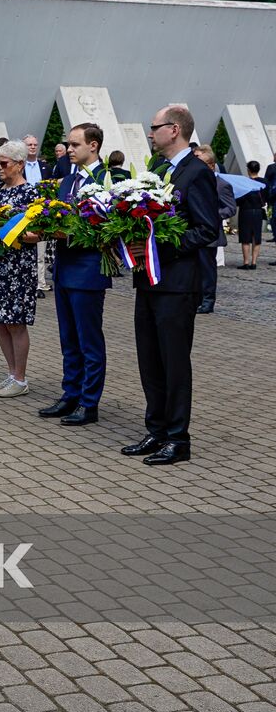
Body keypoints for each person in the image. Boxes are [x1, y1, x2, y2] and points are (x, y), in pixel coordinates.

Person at [121, 105, 219, 466]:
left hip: (177, 284)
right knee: (149, 359)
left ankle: (178, 438)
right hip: (149, 281)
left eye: (154, 127)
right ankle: (157, 430)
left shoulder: (197, 173)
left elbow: (207, 230)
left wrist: (157, 245)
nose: (150, 133)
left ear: (174, 129)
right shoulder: (159, 171)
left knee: (174, 362)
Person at [38, 123, 111, 426]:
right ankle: (70, 393)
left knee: (88, 340)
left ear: (93, 146)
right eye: (68, 144)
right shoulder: (67, 180)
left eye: (75, 144)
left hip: (88, 267)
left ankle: (89, 401)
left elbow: (107, 224)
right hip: (65, 265)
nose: (69, 149)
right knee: (68, 337)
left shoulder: (108, 179)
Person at [0, 140, 40, 398]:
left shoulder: (30, 194)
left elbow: (39, 233)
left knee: (15, 322)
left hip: (18, 267)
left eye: (4, 163)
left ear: (19, 164)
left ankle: (21, 378)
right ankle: (11, 373)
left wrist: (8, 234)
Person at [192, 145, 235, 312]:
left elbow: (230, 208)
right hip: (195, 232)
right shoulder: (195, 180)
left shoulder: (221, 184)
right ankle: (197, 298)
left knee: (207, 269)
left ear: (210, 165)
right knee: (195, 268)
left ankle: (208, 301)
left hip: (210, 234)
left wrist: (210, 214)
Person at [236, 159, 267, 270]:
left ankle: (246, 262)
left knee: (245, 238)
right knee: (256, 237)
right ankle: (254, 262)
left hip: (245, 211)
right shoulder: (264, 182)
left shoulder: (244, 183)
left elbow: (238, 198)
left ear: (248, 170)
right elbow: (266, 197)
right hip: (258, 211)